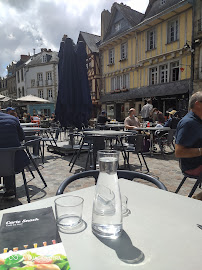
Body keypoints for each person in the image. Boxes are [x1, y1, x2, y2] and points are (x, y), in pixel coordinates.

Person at [0, 111, 30, 198]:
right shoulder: (12, 119)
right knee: (9, 155)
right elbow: (22, 137)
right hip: (14, 164)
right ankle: (10, 189)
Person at [175, 91, 202, 178]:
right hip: (193, 166)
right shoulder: (188, 123)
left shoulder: (198, 120)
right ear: (198, 104)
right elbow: (179, 152)